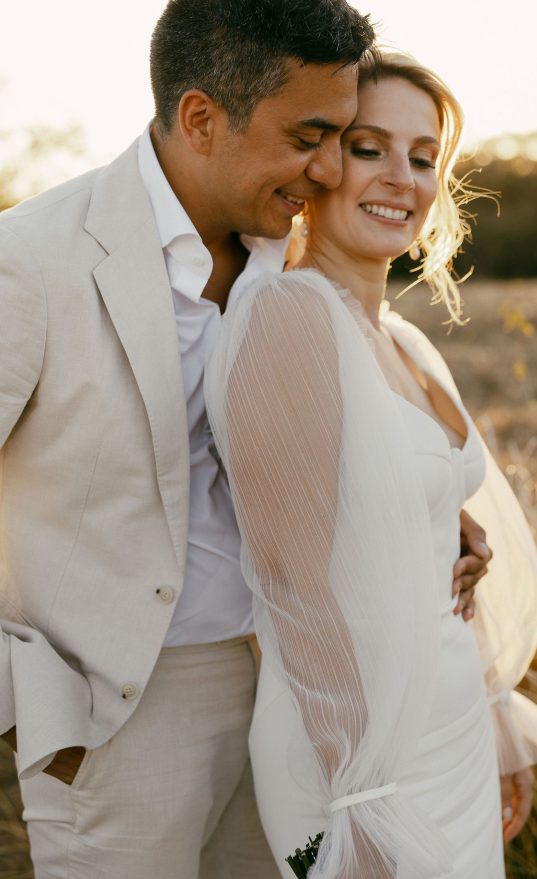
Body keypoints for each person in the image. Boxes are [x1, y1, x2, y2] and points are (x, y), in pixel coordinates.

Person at [0, 2, 377, 877]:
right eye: (308, 136)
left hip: (288, 698)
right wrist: (30, 701)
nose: (330, 170)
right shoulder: (29, 259)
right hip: (116, 721)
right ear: (202, 118)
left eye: (341, 138)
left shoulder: (299, 262)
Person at [204, 52, 537, 878]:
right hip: (363, 759)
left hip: (449, 724)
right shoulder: (288, 318)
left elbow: (418, 529)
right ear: (317, 166)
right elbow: (296, 588)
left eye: (424, 157)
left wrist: (495, 715)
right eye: (369, 148)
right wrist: (363, 803)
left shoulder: (402, 340)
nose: (402, 177)